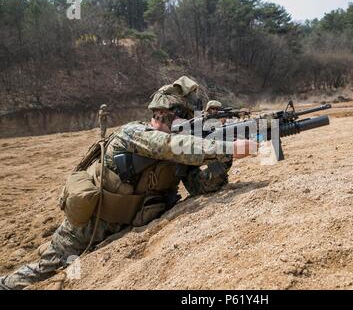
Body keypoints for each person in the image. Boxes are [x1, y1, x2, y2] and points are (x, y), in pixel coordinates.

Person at [0, 76, 255, 290]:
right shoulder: (134, 133)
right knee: (50, 267)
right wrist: (226, 147)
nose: (160, 119)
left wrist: (223, 161)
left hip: (125, 230)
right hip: (89, 226)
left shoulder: (183, 148)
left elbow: (201, 186)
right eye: (164, 115)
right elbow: (168, 146)